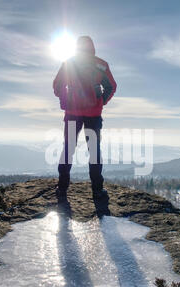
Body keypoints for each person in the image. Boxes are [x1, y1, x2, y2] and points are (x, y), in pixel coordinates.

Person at [53, 36, 117, 200]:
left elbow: (57, 85)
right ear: (92, 47)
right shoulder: (101, 64)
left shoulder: (69, 63)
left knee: (68, 149)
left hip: (72, 113)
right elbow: (111, 86)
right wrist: (101, 101)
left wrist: (65, 100)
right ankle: (97, 190)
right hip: (94, 115)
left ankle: (62, 188)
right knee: (94, 152)